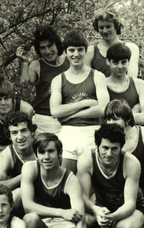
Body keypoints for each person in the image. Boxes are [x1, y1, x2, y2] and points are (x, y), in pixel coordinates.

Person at [21, 133, 99, 228]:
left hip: (64, 225)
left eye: (51, 151)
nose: (46, 157)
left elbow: (80, 219)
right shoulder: (30, 168)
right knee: (29, 218)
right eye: (42, 152)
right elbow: (28, 207)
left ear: (60, 153)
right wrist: (61, 212)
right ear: (36, 155)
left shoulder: (70, 179)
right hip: (42, 223)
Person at [50, 31, 109, 173]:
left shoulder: (97, 76)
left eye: (80, 49)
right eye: (71, 50)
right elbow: (55, 111)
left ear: (85, 50)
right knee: (65, 177)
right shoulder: (58, 79)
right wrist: (85, 103)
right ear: (65, 52)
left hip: (92, 131)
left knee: (91, 182)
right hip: (68, 133)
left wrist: (69, 115)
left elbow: (103, 109)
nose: (75, 54)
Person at [77, 124, 144, 228]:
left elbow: (130, 204)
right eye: (105, 148)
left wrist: (111, 217)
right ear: (97, 145)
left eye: (114, 149)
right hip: (102, 205)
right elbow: (82, 198)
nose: (109, 153)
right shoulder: (86, 160)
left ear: (121, 147)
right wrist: (96, 210)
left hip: (133, 209)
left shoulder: (131, 163)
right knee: (84, 220)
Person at [17, 25, 69, 134]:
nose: (47, 51)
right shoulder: (36, 65)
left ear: (57, 45)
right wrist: (25, 64)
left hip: (67, 118)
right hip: (43, 120)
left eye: (50, 46)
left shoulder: (69, 62)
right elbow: (25, 93)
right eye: (43, 48)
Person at [0, 112, 37, 210]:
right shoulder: (5, 156)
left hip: (46, 193)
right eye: (14, 133)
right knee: (17, 194)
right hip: (21, 200)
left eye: (24, 130)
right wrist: (26, 174)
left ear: (32, 132)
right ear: (9, 136)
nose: (20, 137)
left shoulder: (42, 148)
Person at [0, 78, 34, 156]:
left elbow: (27, 139)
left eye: (6, 98)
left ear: (12, 98)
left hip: (19, 144)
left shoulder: (26, 110)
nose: (3, 103)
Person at [85, 10, 139, 78]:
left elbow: (132, 79)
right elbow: (88, 81)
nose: (105, 31)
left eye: (108, 27)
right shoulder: (91, 52)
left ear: (116, 26)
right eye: (101, 27)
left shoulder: (131, 48)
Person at [104, 99, 144, 190]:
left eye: (115, 119)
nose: (110, 123)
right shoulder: (106, 138)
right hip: (117, 193)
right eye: (108, 119)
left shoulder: (142, 134)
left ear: (128, 119)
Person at [105, 43, 144, 124]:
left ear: (129, 62)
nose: (120, 66)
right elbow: (102, 119)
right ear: (108, 62)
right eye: (115, 62)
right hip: (109, 134)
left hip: (134, 133)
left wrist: (114, 118)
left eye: (123, 62)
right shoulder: (101, 84)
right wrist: (131, 113)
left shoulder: (139, 84)